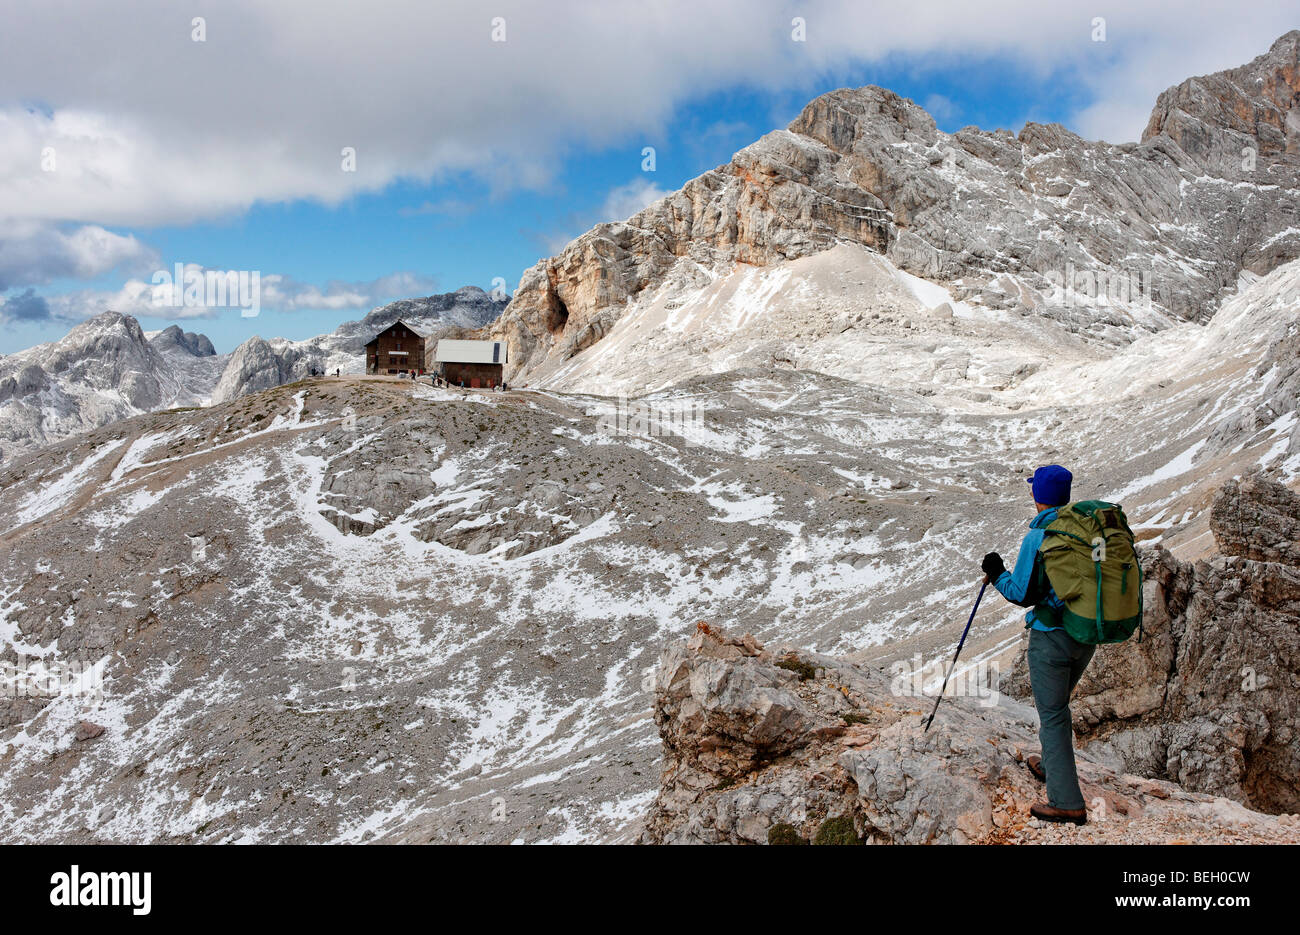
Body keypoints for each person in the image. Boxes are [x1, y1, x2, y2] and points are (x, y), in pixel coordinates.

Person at [981, 464, 1093, 826]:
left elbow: (1022, 594)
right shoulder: (1087, 529)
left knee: (1054, 714)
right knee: (1057, 707)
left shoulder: (1038, 537)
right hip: (1086, 634)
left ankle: (1067, 803)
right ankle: (1049, 766)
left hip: (1051, 638)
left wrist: (997, 573)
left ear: (1036, 495)